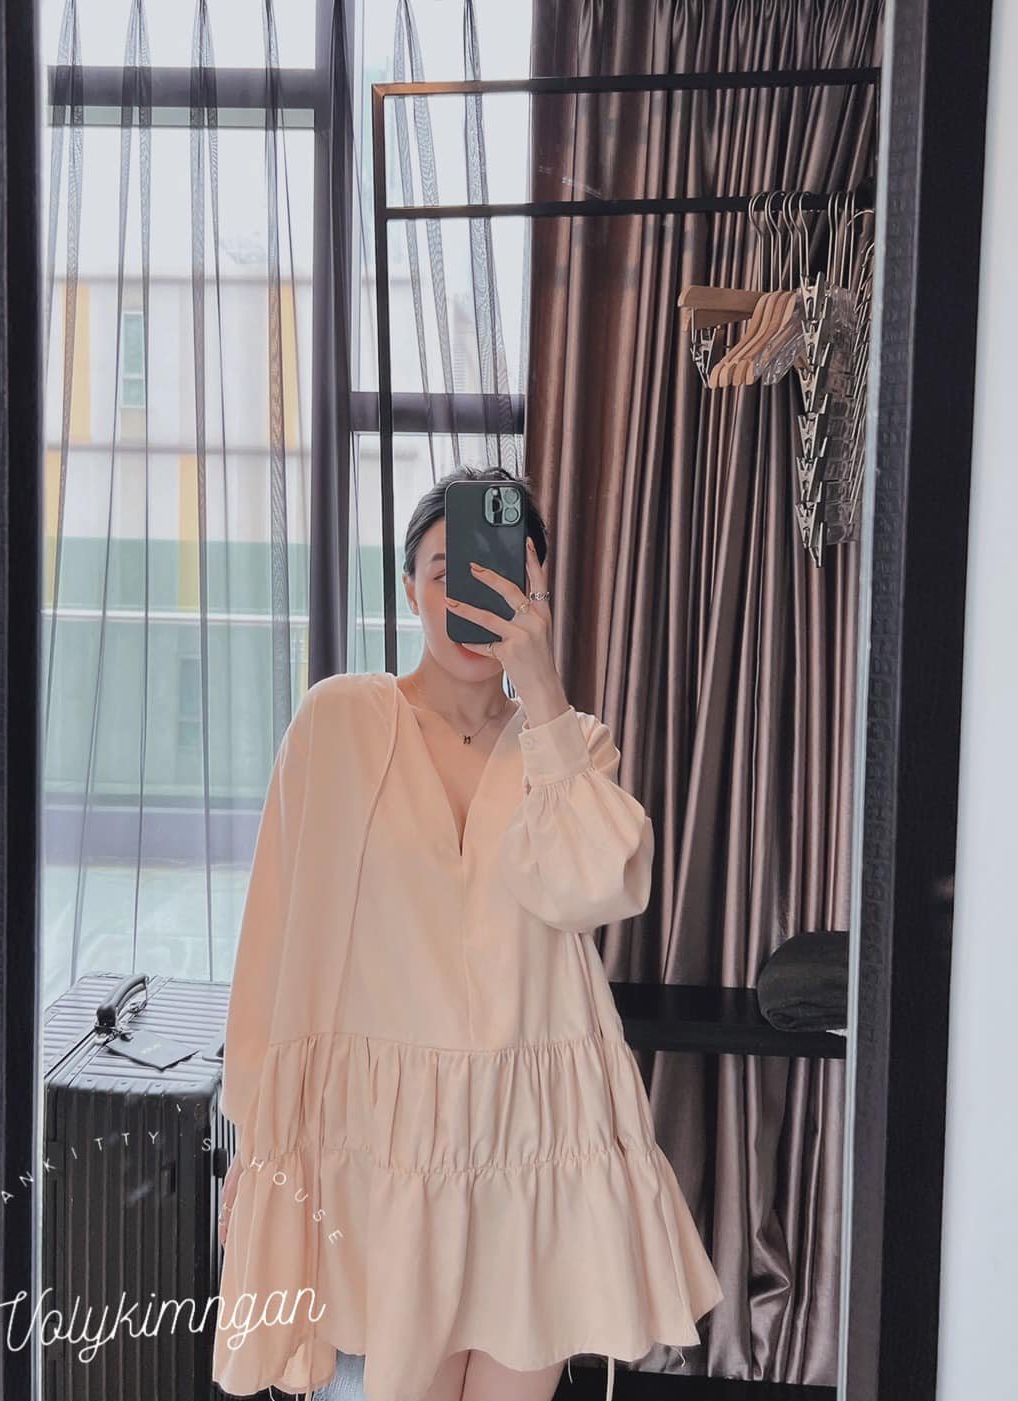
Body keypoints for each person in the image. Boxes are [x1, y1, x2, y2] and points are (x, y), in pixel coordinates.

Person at [211, 466, 723, 1401]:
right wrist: (256, 1135)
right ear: (409, 587)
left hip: (531, 1143)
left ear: (535, 592)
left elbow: (594, 888)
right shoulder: (338, 721)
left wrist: (544, 692)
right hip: (384, 1146)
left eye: (499, 572)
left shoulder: (572, 745)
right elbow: (274, 939)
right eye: (447, 571)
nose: (470, 595)